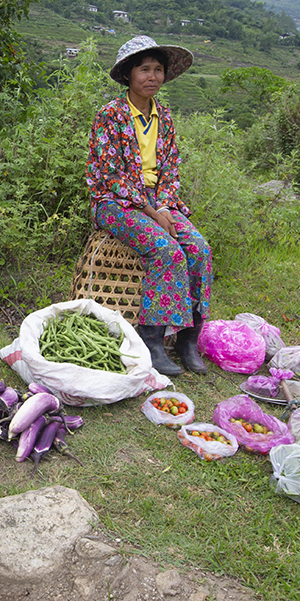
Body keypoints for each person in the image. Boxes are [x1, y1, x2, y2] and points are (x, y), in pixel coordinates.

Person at [85, 36, 213, 376]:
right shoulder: (110, 116)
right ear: (128, 74)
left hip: (160, 202)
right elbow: (108, 173)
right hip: (115, 201)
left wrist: (167, 208)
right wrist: (151, 212)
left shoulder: (164, 117)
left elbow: (170, 169)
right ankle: (152, 339)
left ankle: (188, 339)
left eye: (158, 70)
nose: (152, 77)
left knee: (199, 249)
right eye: (144, 70)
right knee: (166, 250)